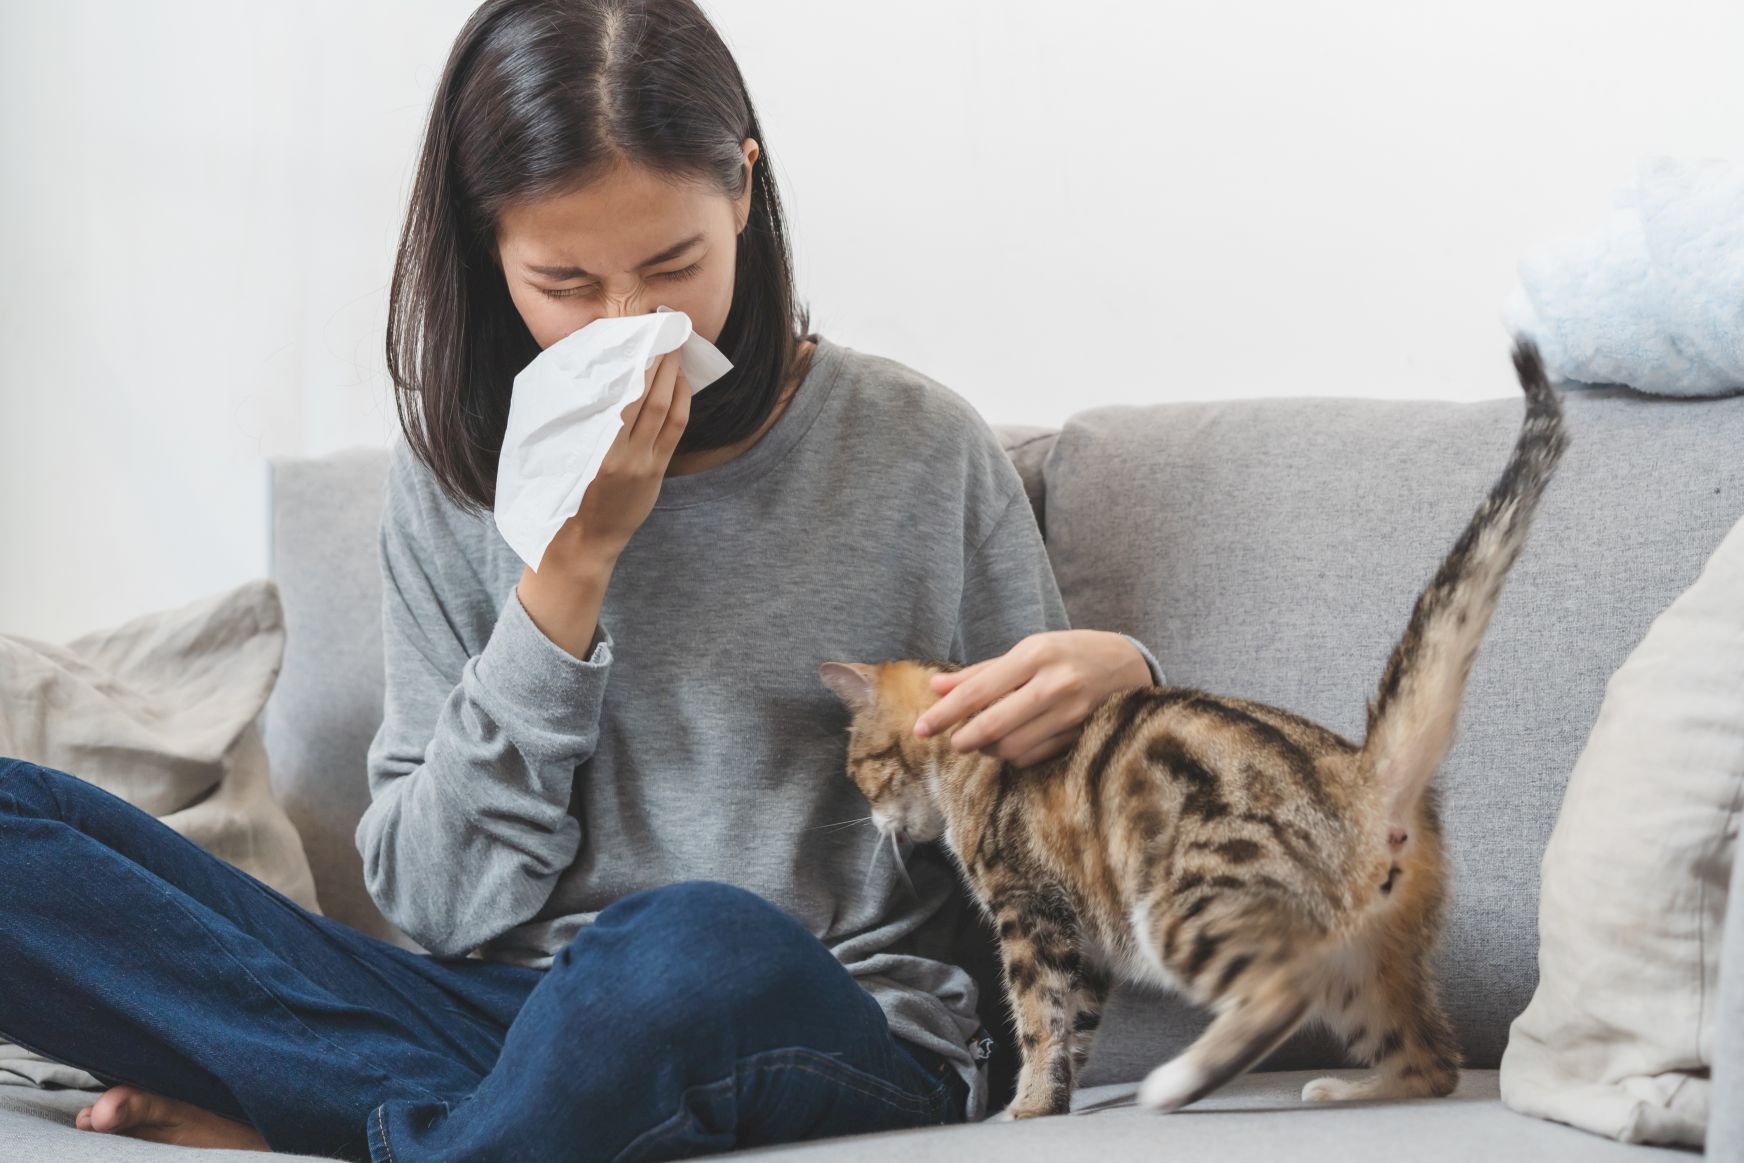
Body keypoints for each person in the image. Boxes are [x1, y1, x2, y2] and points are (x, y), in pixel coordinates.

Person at [0, 1, 1164, 1158]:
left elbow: (1052, 858)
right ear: (488, 248)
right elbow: (435, 903)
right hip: (496, 1019)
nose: (632, 323)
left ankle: (368, 1120)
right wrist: (569, 570)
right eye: (564, 282)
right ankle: (442, 1120)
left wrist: (1123, 686)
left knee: (690, 939)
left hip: (817, 1010)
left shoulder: (916, 445)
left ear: (743, 193)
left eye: (673, 265)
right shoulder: (453, 482)